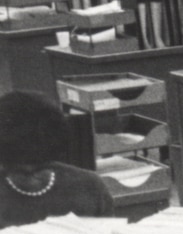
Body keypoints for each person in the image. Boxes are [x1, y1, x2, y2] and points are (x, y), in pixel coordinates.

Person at [0, 92, 114, 225]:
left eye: (38, 168)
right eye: (20, 171)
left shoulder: (91, 186)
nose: (30, 176)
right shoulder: (92, 184)